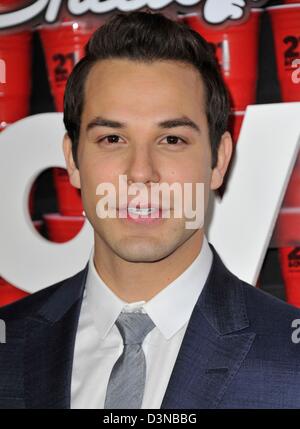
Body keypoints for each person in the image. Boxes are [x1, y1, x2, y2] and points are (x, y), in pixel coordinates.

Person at [1, 10, 300, 410]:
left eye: (172, 139)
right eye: (112, 138)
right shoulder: (9, 344)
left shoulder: (290, 360)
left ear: (218, 161)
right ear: (72, 160)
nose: (140, 173)